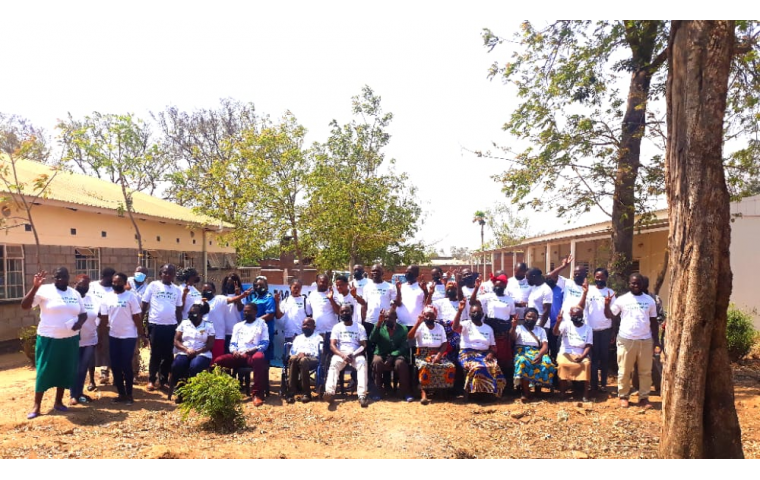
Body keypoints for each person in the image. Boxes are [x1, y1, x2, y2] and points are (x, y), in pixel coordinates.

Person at [21, 269, 88, 420]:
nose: (60, 280)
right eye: (57, 277)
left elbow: (83, 314)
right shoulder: (45, 290)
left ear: (68, 278)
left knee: (65, 370)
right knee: (44, 371)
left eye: (63, 277)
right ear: (54, 278)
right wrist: (35, 287)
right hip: (48, 337)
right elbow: (25, 306)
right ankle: (37, 406)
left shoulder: (74, 293)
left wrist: (78, 324)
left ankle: (58, 402)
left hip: (70, 338)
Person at [606, 273, 660, 410]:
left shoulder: (649, 301)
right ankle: (623, 396)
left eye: (638, 283)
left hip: (645, 340)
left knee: (645, 371)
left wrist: (657, 341)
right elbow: (610, 315)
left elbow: (653, 322)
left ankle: (644, 397)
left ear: (642, 285)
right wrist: (606, 305)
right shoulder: (622, 300)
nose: (635, 286)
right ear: (629, 284)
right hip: (626, 339)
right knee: (624, 370)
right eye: (632, 283)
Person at [99, 273, 145, 405]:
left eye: (119, 282)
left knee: (126, 365)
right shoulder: (107, 298)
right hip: (114, 336)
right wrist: (101, 337)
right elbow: (104, 319)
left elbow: (137, 317)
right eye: (114, 281)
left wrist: (142, 334)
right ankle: (121, 393)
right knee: (115, 366)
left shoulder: (131, 297)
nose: (116, 284)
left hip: (128, 336)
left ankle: (129, 394)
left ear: (125, 283)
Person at [213, 304, 270, 407]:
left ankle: (256, 394)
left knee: (259, 358)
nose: (246, 313)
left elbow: (265, 343)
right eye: (244, 311)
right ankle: (226, 390)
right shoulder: (238, 326)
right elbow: (233, 343)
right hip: (239, 354)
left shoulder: (262, 324)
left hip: (253, 353)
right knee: (219, 360)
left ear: (255, 312)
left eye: (249, 311)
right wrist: (234, 351)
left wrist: (254, 349)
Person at [452, 299, 506, 400]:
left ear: (482, 314)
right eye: (473, 312)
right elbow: (455, 328)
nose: (476, 313)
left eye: (478, 312)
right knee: (478, 366)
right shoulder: (465, 324)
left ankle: (489, 393)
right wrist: (459, 311)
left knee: (494, 367)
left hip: (484, 354)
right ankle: (474, 393)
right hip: (467, 354)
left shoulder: (488, 328)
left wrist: (491, 354)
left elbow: (493, 347)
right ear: (469, 314)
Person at [142, 264, 183, 392]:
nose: (167, 275)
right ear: (160, 274)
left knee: (168, 355)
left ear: (173, 275)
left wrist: (181, 328)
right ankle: (151, 380)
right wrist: (141, 325)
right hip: (155, 325)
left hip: (171, 326)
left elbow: (179, 310)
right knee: (155, 353)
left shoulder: (177, 290)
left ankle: (163, 380)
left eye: (170, 273)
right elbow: (144, 305)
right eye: (165, 273)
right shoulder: (153, 285)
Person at [324, 304, 370, 408]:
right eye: (342, 312)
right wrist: (343, 355)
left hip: (356, 353)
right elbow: (332, 345)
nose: (345, 313)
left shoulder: (359, 327)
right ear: (339, 314)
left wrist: (353, 354)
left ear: (351, 312)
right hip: (341, 354)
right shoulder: (337, 327)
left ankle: (362, 395)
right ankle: (329, 393)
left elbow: (364, 345)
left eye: (347, 311)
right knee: (334, 363)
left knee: (362, 363)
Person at [408, 305, 454, 405]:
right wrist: (417, 323)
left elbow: (444, 343)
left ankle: (443, 392)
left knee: (450, 366)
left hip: (438, 354)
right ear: (424, 316)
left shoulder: (440, 327)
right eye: (426, 316)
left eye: (431, 316)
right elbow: (410, 337)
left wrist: (438, 356)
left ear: (435, 316)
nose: (429, 318)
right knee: (425, 366)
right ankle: (423, 393)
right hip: (422, 355)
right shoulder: (420, 326)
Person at [169, 301, 215, 402]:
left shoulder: (208, 325)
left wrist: (197, 352)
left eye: (193, 314)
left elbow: (210, 344)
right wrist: (186, 349)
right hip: (185, 351)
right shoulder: (184, 323)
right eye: (189, 313)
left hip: (202, 353)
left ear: (201, 315)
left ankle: (194, 392)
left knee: (195, 366)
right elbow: (176, 340)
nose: (191, 316)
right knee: (177, 365)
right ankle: (180, 391)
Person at [580, 268, 616, 393]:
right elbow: (582, 308)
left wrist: (613, 331)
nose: (599, 279)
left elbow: (612, 315)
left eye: (602, 277)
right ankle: (593, 384)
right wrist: (584, 293)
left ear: (606, 278)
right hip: (591, 330)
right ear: (594, 277)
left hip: (605, 330)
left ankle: (604, 384)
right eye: (597, 277)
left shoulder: (610, 292)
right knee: (593, 358)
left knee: (605, 358)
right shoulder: (588, 291)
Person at [481, 274, 518, 393]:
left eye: (501, 285)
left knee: (505, 360)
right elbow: (473, 302)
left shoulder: (509, 299)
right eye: (496, 285)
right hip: (491, 331)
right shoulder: (487, 297)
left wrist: (513, 325)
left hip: (504, 332)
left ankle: (507, 388)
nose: (498, 287)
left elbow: (512, 315)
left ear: (505, 286)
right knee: (491, 358)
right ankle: (490, 386)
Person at [511, 307, 557, 402]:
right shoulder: (519, 328)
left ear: (537, 319)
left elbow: (545, 346)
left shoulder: (541, 330)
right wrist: (514, 326)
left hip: (537, 351)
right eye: (529, 316)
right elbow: (512, 338)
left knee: (546, 363)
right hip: (522, 351)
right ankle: (525, 391)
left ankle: (538, 389)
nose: (531, 319)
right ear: (524, 317)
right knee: (523, 361)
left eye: (534, 317)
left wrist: (540, 355)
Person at [369, 306, 412, 402]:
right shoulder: (379, 326)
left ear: (395, 318)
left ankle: (404, 392)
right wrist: (379, 324)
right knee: (377, 362)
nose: (388, 319)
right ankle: (378, 392)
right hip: (381, 353)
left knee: (401, 364)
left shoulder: (403, 329)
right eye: (386, 317)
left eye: (390, 318)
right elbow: (372, 339)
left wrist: (393, 355)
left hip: (397, 355)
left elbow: (404, 346)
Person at [433, 280, 468, 394]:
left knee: (458, 360)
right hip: (444, 334)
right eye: (449, 288)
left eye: (453, 288)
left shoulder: (462, 302)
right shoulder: (440, 302)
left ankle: (458, 386)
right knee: (445, 359)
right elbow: (429, 308)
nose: (451, 290)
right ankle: (445, 387)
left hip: (458, 334)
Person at [202, 282, 253, 360]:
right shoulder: (198, 301)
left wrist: (242, 295)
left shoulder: (219, 299)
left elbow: (231, 299)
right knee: (203, 360)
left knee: (216, 361)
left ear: (214, 290)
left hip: (217, 336)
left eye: (209, 290)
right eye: (204, 290)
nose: (206, 292)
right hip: (203, 337)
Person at [70, 275, 99, 406]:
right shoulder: (70, 299)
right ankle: (73, 395)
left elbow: (99, 316)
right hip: (73, 340)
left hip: (90, 339)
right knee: (74, 368)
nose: (83, 287)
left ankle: (79, 393)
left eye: (86, 285)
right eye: (81, 284)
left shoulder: (93, 299)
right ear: (74, 283)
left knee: (82, 369)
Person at [554, 306, 593, 403]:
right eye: (574, 315)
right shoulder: (565, 324)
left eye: (579, 315)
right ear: (570, 316)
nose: (576, 317)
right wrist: (558, 322)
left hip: (580, 353)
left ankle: (585, 394)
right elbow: (555, 333)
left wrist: (582, 356)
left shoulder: (588, 328)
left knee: (586, 364)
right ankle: (563, 391)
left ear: (582, 315)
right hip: (566, 352)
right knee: (562, 364)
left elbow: (588, 345)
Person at [285, 318, 323, 404]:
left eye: (308, 325)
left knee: (304, 360)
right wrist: (298, 354)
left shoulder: (318, 338)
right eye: (304, 325)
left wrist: (306, 353)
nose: (305, 327)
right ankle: (291, 393)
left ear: (314, 327)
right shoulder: (298, 338)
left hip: (313, 360)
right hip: (298, 358)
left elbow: (318, 353)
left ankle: (307, 394)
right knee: (293, 358)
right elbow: (292, 352)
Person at [354, 264, 396, 339]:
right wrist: (364, 319)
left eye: (377, 271)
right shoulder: (367, 287)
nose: (375, 273)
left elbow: (394, 305)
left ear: (382, 273)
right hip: (370, 321)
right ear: (370, 273)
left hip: (385, 322)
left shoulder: (390, 287)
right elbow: (364, 304)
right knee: (370, 345)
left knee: (384, 344)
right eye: (373, 271)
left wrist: (391, 319)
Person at [89, 267, 115, 386]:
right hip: (92, 322)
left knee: (107, 348)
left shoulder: (114, 289)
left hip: (108, 323)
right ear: (105, 277)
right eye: (112, 277)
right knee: (93, 351)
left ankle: (106, 372)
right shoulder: (93, 286)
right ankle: (91, 379)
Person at [126, 266, 150, 383]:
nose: (140, 274)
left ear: (146, 276)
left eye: (143, 273)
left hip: (138, 319)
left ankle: (134, 374)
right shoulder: (127, 282)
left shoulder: (147, 287)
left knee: (134, 348)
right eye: (138, 272)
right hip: (123, 318)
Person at [246, 276, 277, 366]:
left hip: (266, 332)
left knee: (265, 357)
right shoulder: (255, 299)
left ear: (266, 286)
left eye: (261, 285)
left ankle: (265, 378)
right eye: (257, 285)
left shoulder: (269, 298)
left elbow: (270, 315)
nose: (259, 287)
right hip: (255, 333)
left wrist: (255, 320)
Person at [306, 274, 341, 338]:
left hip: (331, 331)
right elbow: (309, 315)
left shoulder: (333, 294)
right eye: (322, 282)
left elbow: (338, 312)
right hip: (317, 332)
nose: (324, 284)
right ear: (316, 281)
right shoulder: (312, 295)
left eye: (326, 282)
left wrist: (331, 299)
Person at [221, 274, 246, 353]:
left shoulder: (242, 295)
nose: (229, 285)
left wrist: (238, 295)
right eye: (228, 283)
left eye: (232, 283)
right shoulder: (222, 296)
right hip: (223, 331)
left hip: (235, 331)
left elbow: (240, 308)